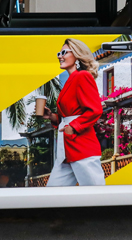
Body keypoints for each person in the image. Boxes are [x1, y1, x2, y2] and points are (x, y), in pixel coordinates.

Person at [43, 38, 105, 186]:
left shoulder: (82, 76)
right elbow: (70, 114)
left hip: (82, 147)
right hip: (66, 151)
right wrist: (52, 116)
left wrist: (74, 127)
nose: (59, 56)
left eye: (64, 52)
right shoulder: (72, 80)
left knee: (96, 196)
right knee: (51, 195)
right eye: (59, 53)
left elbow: (95, 110)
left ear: (76, 55)